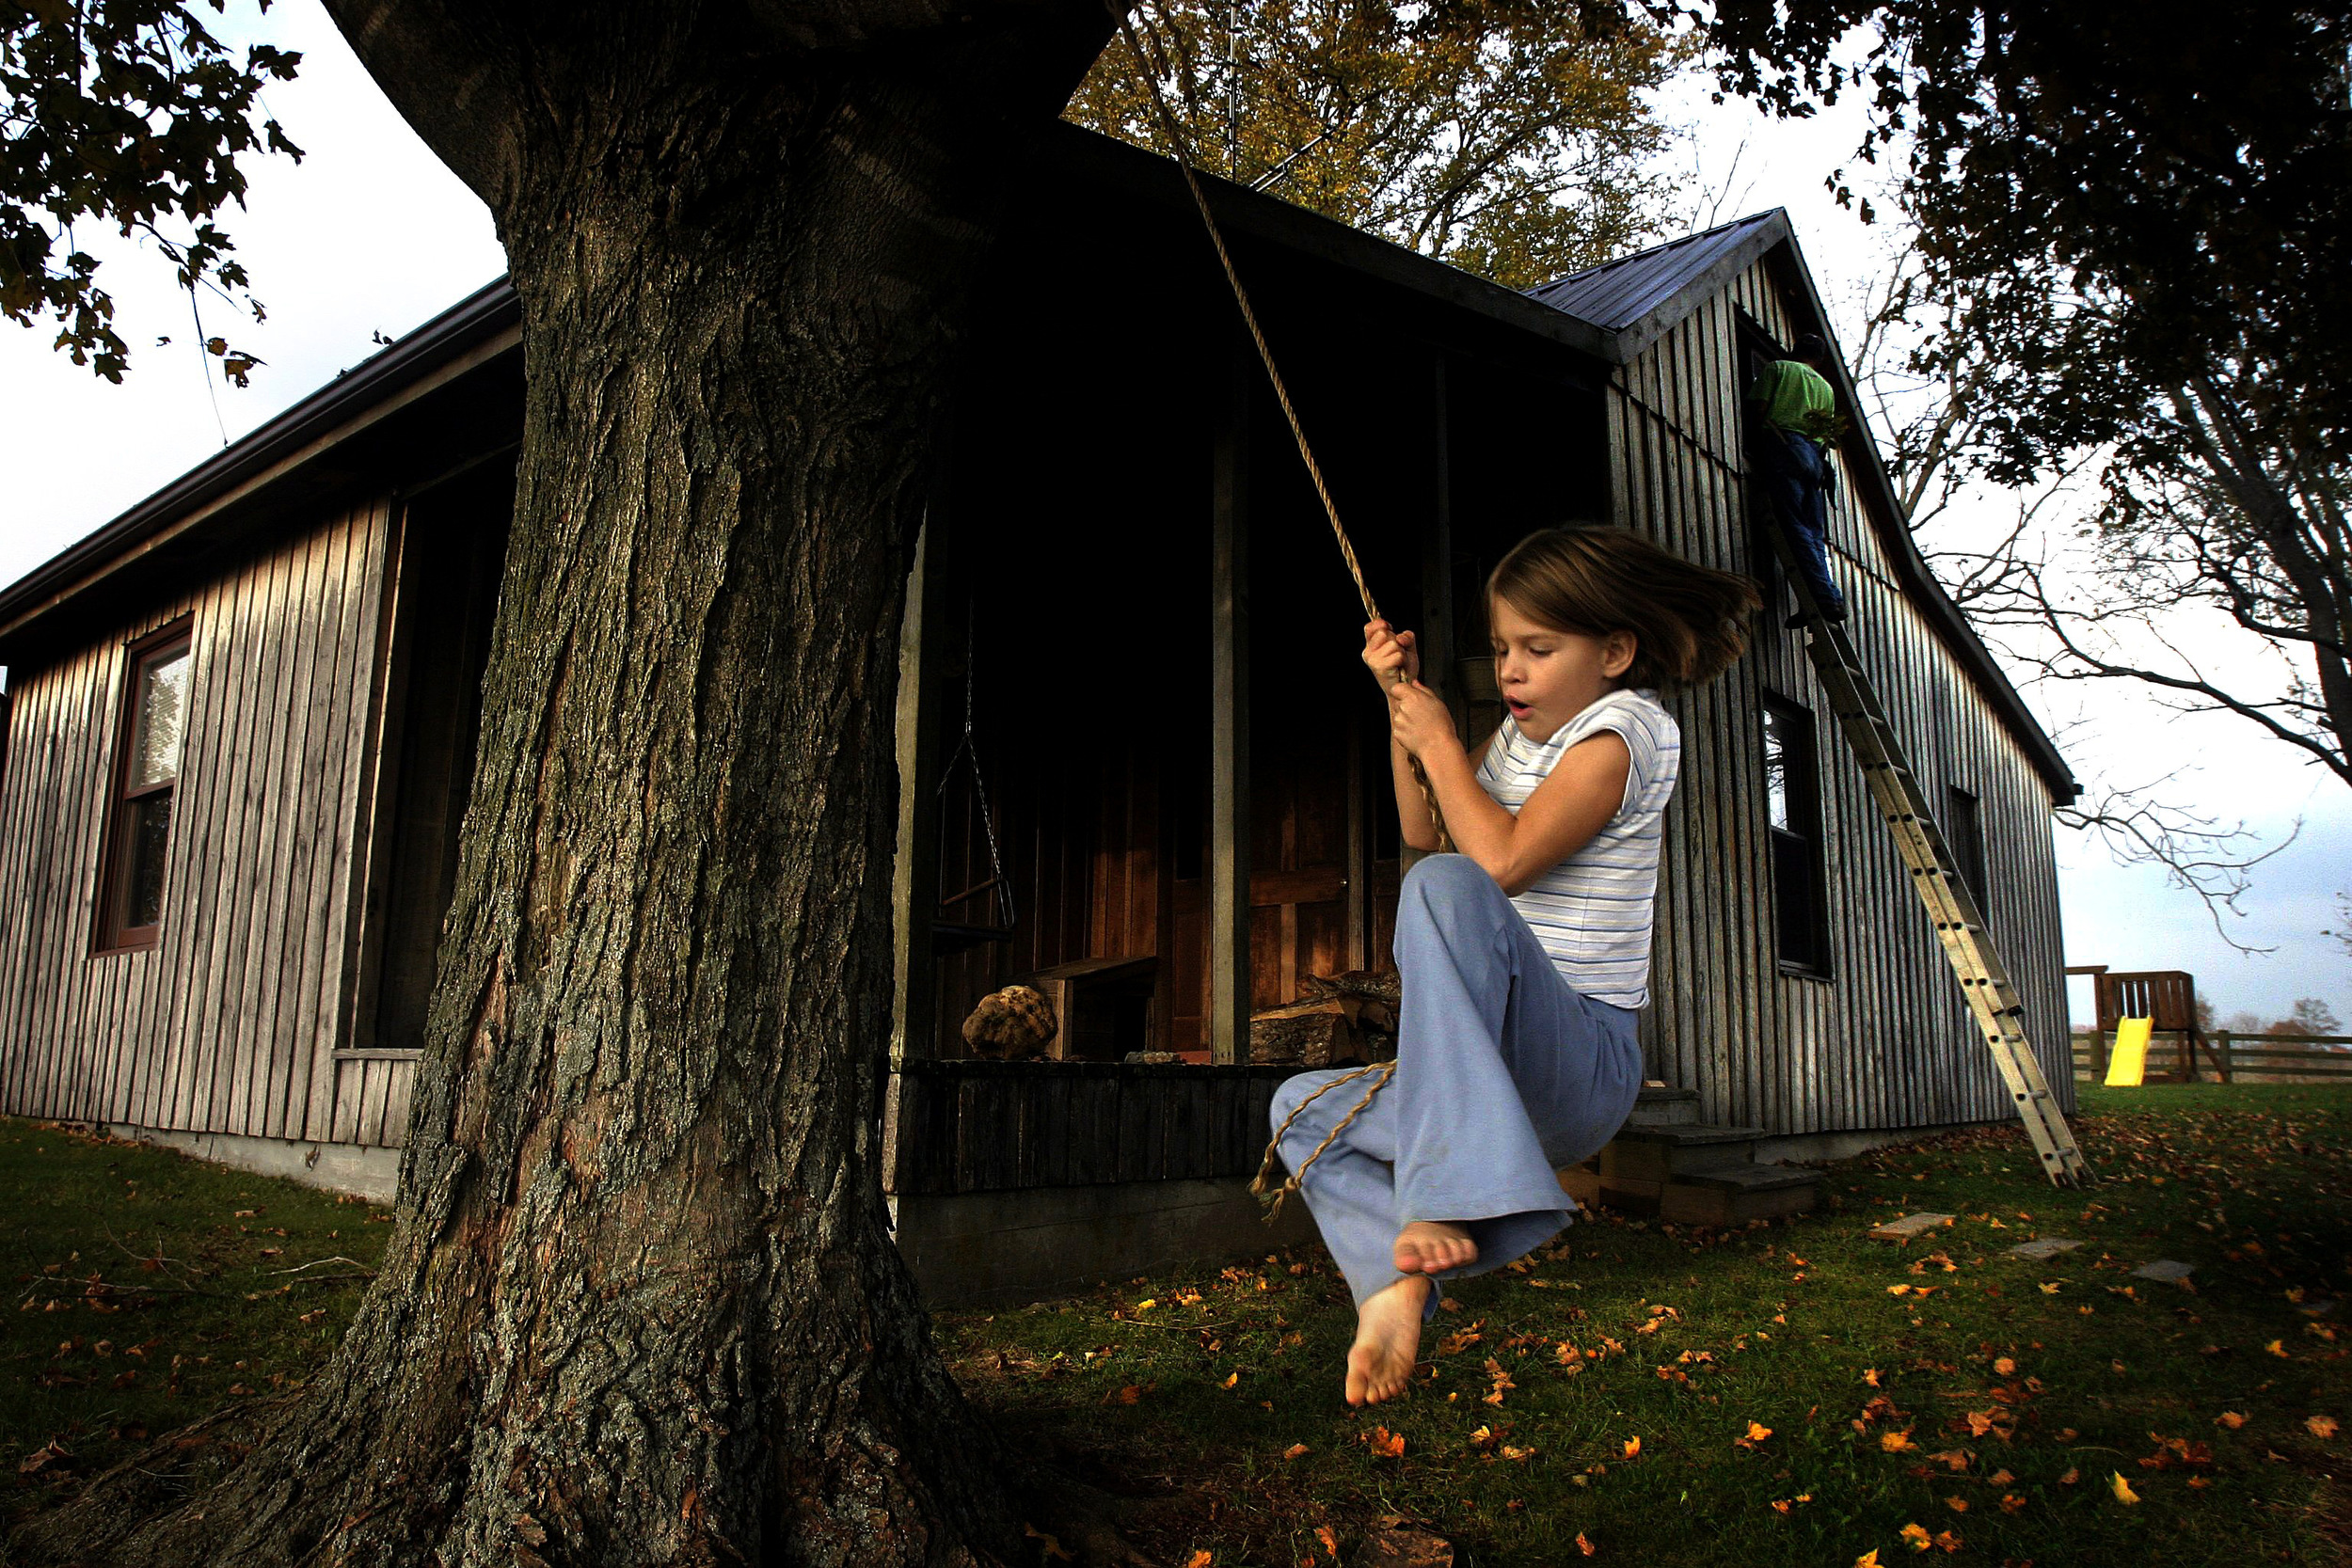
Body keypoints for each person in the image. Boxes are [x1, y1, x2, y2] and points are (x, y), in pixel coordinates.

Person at [1267, 526, 1759, 1406]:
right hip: (1494, 1083)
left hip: (1580, 1060)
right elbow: (1426, 827)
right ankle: (1394, 1285)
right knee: (1299, 1113)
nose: (1511, 671)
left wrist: (1448, 744)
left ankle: (1445, 1191)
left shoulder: (1626, 731)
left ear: (1614, 651)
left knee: (1448, 890)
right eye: (1500, 649)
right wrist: (1400, 708)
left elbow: (1494, 861)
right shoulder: (1518, 743)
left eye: (1538, 648)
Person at [1746, 332, 1848, 626]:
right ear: (1819, 360)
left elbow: (1759, 409)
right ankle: (1826, 595)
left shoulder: (1778, 369)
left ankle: (1824, 598)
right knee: (1814, 533)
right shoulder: (1826, 389)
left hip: (1784, 449)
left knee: (1794, 526)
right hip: (1814, 460)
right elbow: (1826, 435)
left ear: (1795, 350)